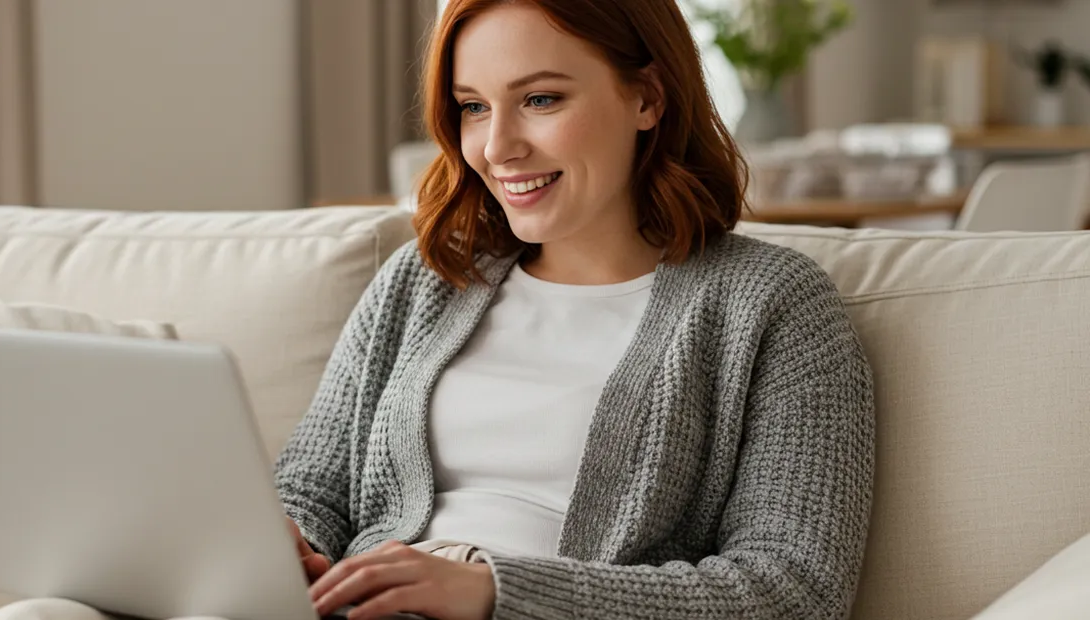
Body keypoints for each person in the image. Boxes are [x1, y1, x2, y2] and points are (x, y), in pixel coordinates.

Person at [274, 0, 875, 619]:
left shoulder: (772, 304)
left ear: (646, 97)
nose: (498, 148)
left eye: (540, 100)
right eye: (474, 107)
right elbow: (309, 491)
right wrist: (290, 545)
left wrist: (493, 591)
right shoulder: (426, 280)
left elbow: (792, 591)